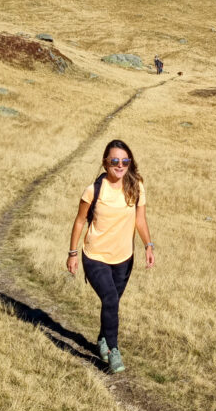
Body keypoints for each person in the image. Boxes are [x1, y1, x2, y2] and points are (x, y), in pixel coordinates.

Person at [66, 139, 155, 373]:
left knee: (111, 303)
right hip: (95, 256)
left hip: (124, 258)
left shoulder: (136, 187)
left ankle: (103, 338)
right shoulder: (93, 190)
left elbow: (140, 220)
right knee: (110, 299)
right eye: (115, 161)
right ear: (106, 162)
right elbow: (78, 222)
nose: (120, 165)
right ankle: (113, 351)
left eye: (125, 161)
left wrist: (148, 245)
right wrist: (73, 254)